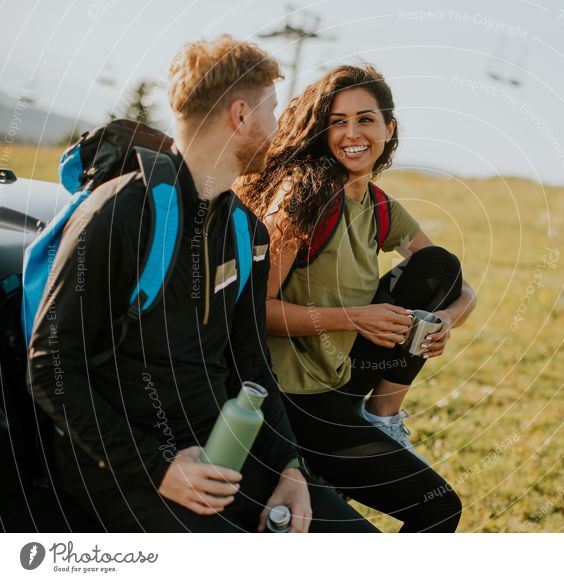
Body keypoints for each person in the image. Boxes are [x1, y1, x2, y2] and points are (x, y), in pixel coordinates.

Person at [26, 35, 375, 533]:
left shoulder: (246, 231)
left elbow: (251, 364)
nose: (278, 128)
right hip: (127, 469)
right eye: (271, 112)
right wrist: (159, 468)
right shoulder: (123, 212)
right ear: (240, 115)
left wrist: (291, 469)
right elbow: (50, 364)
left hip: (225, 446)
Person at [236, 65, 477, 532]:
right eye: (337, 121)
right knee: (438, 509)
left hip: (342, 378)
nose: (352, 133)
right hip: (291, 395)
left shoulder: (378, 203)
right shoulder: (301, 196)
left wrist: (446, 319)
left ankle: (382, 416)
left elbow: (457, 285)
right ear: (319, 130)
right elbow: (253, 313)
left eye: (365, 119)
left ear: (388, 128)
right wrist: (353, 318)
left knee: (439, 265)